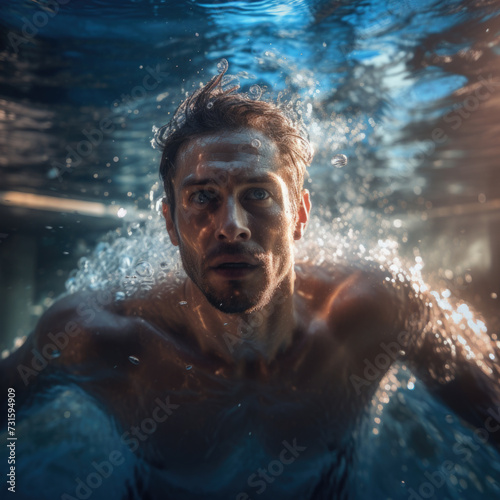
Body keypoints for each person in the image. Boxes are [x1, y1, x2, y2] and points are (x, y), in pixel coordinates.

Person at [2, 63, 499, 500]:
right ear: (171, 223)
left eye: (258, 194)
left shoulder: (377, 312)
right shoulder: (95, 336)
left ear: (300, 215)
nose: (231, 225)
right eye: (202, 197)